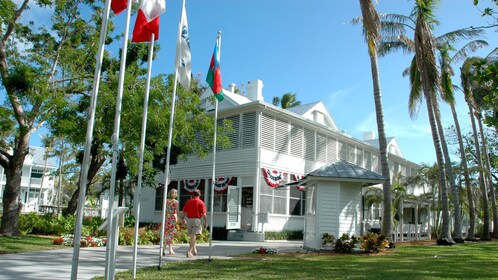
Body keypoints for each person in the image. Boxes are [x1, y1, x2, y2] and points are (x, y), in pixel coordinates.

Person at [180, 189, 208, 257]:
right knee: (194, 236)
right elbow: (204, 214)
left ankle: (194, 250)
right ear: (199, 195)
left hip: (189, 220)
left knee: (192, 236)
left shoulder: (188, 201)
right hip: (197, 220)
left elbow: (184, 211)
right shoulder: (201, 202)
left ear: (193, 194)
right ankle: (189, 251)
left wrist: (182, 219)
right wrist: (206, 222)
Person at [163, 189, 179, 256]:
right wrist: (179, 219)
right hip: (172, 218)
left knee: (167, 234)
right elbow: (177, 211)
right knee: (171, 234)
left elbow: (164, 210)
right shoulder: (176, 202)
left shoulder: (165, 201)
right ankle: (165, 249)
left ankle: (169, 249)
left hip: (166, 218)